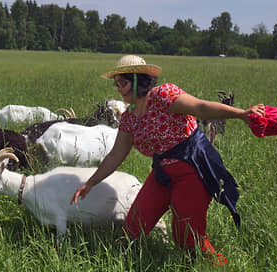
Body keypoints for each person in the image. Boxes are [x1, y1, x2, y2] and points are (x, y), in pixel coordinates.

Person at [70, 55, 265, 266]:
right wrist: (90, 183)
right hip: (163, 174)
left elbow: (200, 107)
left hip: (192, 169)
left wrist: (241, 114)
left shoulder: (164, 95)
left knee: (187, 237)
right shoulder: (129, 118)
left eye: (123, 82)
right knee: (133, 227)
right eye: (116, 84)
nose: (118, 88)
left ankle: (220, 265)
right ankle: (116, 262)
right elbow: (116, 155)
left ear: (137, 80)